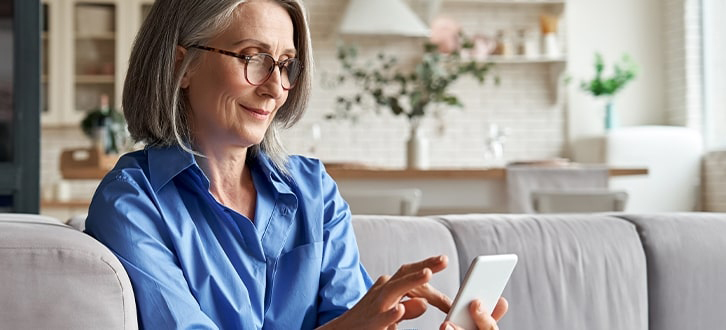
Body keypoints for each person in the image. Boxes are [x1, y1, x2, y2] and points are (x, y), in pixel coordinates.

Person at [84, 0, 508, 329]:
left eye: (286, 65)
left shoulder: (313, 189)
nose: (276, 88)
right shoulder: (132, 203)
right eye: (254, 58)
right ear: (182, 65)